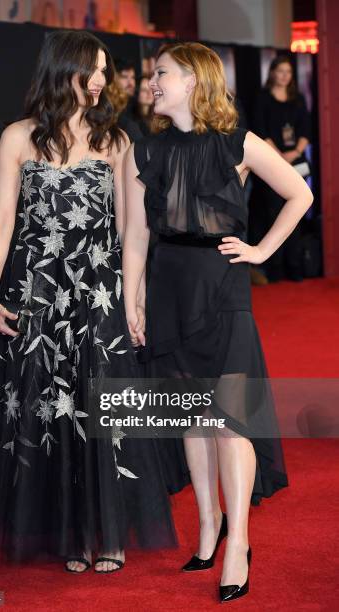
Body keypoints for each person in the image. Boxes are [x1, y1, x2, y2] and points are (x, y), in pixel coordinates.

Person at [0, 30, 187, 575]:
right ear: (66, 70)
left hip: (98, 294)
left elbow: (135, 230)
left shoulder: (117, 141)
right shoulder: (18, 137)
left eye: (107, 70)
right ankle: (69, 531)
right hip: (37, 296)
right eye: (96, 69)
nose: (104, 80)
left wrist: (136, 300)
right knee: (47, 411)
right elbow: (1, 223)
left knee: (102, 409)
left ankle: (108, 531)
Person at [122, 42, 313, 603]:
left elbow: (301, 193)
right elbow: (134, 237)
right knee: (190, 415)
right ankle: (208, 528)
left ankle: (238, 544)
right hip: (168, 289)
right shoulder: (145, 152)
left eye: (161, 73)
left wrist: (260, 251)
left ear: (193, 81)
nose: (152, 83)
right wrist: (133, 298)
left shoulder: (239, 142)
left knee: (228, 419)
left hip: (223, 286)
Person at [253, 55, 311, 282]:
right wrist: (278, 157)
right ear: (272, 73)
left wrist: (294, 153)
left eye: (288, 71)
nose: (285, 75)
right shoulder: (263, 98)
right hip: (271, 162)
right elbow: (260, 130)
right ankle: (275, 269)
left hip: (296, 162)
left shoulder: (297, 99)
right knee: (273, 213)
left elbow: (306, 131)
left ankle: (295, 266)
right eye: (280, 71)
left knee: (296, 213)